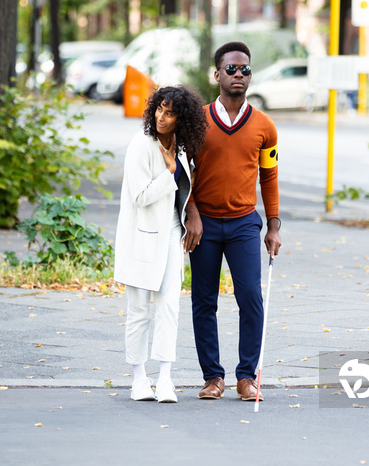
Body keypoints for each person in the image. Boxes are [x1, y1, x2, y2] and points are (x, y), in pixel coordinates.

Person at [182, 42, 282, 401]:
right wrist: (191, 212)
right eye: (231, 69)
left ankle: (245, 377)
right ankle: (213, 377)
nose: (238, 75)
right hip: (204, 224)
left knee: (251, 298)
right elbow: (183, 172)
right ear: (217, 74)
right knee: (203, 300)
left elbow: (269, 176)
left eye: (245, 70)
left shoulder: (264, 126)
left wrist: (273, 224)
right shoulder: (197, 121)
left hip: (243, 224)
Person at [114, 85, 208, 403]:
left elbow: (184, 193)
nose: (161, 118)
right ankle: (139, 379)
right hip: (140, 235)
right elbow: (140, 196)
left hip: (170, 232)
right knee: (139, 310)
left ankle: (165, 378)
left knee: (169, 305)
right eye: (158, 110)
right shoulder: (142, 145)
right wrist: (169, 174)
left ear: (182, 119)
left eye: (170, 113)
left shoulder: (180, 148)